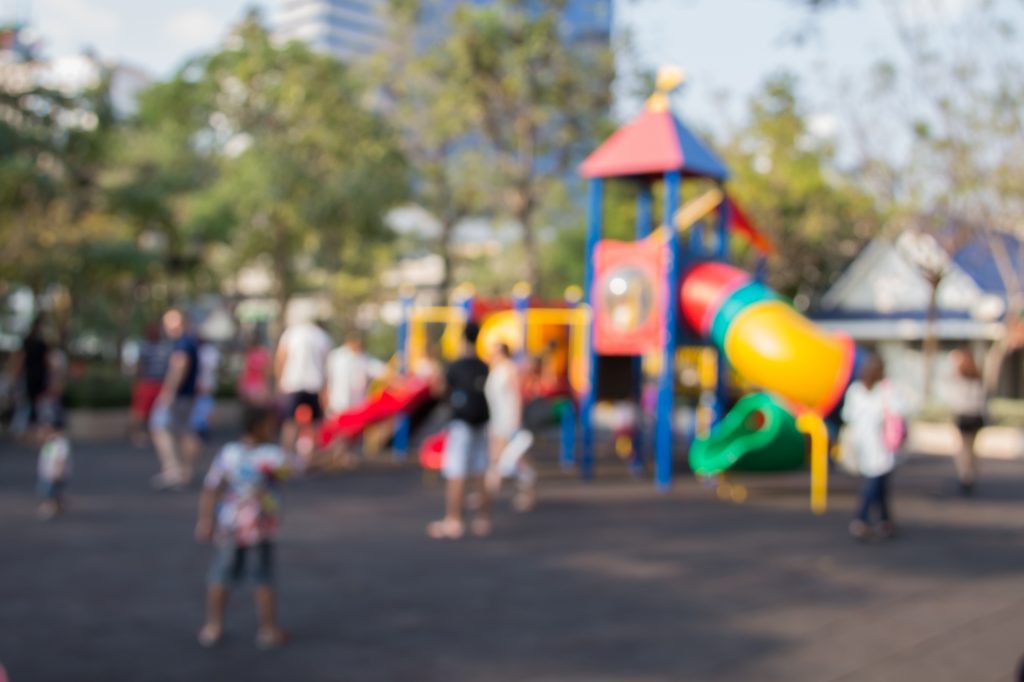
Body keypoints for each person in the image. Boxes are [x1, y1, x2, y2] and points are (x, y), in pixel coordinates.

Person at [195, 406, 299, 649]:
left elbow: (212, 487)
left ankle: (213, 626)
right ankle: (267, 629)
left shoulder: (228, 453)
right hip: (261, 525)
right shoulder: (272, 456)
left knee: (221, 573)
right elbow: (297, 469)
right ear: (261, 425)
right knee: (263, 575)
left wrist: (206, 519)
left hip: (231, 523)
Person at [428, 322, 492, 540]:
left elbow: (440, 392)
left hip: (462, 422)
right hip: (482, 422)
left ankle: (453, 520)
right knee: (480, 469)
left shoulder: (456, 365)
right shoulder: (484, 365)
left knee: (456, 471)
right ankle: (482, 519)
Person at [841, 352, 908, 542]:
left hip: (863, 443)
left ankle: (885, 520)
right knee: (874, 482)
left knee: (880, 484)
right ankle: (860, 518)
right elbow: (900, 410)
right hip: (881, 444)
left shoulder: (855, 390)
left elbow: (848, 416)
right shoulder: (885, 390)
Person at [149, 308, 201, 490]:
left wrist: (169, 392)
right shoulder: (189, 342)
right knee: (185, 431)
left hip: (179, 396)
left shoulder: (183, 344)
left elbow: (179, 367)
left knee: (159, 426)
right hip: (187, 395)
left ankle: (173, 469)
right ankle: (185, 471)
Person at [484, 343, 536, 512]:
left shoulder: (509, 369)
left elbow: (517, 395)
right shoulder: (495, 370)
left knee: (515, 458)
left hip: (508, 419)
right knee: (497, 459)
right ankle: (488, 493)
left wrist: (516, 419)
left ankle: (526, 491)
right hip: (497, 419)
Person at [275, 312, 332, 456]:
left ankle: (286, 455)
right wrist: (326, 389)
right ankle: (311, 456)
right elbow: (326, 365)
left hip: (292, 382)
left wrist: (279, 380)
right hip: (315, 383)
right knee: (315, 423)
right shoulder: (322, 336)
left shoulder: (290, 333)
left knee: (290, 421)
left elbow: (281, 358)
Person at [945, 347, 986, 496]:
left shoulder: (959, 375)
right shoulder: (977, 376)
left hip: (963, 414)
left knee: (963, 447)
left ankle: (965, 474)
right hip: (975, 415)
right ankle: (971, 472)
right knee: (971, 447)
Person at [325, 332, 386, 417]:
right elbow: (328, 380)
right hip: (337, 406)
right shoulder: (336, 356)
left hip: (355, 409)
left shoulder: (364, 359)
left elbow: (382, 371)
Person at [130, 322, 170, 446]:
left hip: (160, 383)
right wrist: (138, 382)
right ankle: (138, 432)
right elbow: (139, 366)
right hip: (147, 383)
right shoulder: (144, 347)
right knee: (141, 411)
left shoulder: (164, 347)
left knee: (159, 411)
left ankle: (156, 433)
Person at [36, 411, 71, 521]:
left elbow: (61, 458)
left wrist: (58, 471)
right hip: (47, 471)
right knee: (54, 492)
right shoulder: (50, 441)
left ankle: (49, 507)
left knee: (48, 491)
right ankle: (59, 506)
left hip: (54, 473)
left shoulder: (60, 442)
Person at [190, 335, 221, 441]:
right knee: (203, 407)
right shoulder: (207, 351)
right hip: (205, 383)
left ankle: (203, 428)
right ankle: (202, 428)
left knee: (204, 407)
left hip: (206, 383)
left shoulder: (206, 351)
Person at [238, 332, 273, 407]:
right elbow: (268, 371)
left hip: (250, 386)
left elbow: (244, 371)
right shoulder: (264, 353)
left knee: (251, 409)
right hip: (260, 386)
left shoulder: (248, 354)